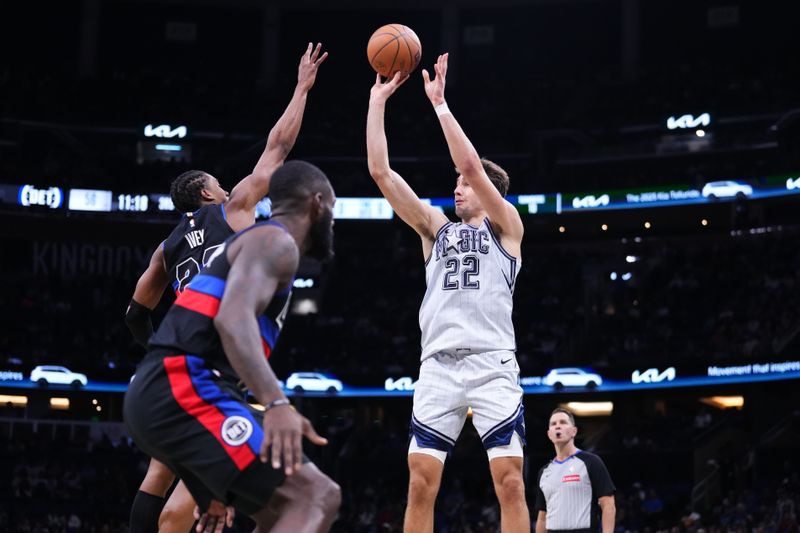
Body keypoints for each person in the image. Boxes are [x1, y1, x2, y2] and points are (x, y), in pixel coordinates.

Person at [124, 43, 328, 533]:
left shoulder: (167, 247)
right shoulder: (232, 207)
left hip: (173, 366)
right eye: (217, 182)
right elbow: (277, 150)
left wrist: (156, 351)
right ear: (205, 193)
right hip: (217, 363)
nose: (225, 186)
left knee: (162, 474)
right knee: (294, 492)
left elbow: (135, 311)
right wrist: (302, 87)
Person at [366, 53, 529, 532]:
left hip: (492, 362)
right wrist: (377, 104)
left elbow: (473, 166)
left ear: (488, 193)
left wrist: (439, 105)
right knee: (419, 482)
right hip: (438, 364)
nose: (457, 190)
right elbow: (381, 173)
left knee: (511, 481)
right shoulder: (435, 230)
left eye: (464, 186)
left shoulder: (507, 229)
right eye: (455, 185)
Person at [534, 408, 616, 533]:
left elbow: (608, 505)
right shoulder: (544, 472)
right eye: (553, 424)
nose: (558, 426)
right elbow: (542, 518)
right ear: (549, 434)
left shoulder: (592, 462)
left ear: (574, 431)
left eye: (563, 422)